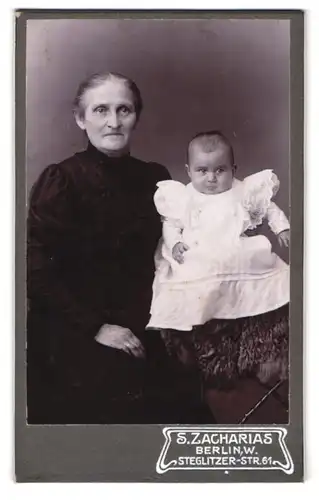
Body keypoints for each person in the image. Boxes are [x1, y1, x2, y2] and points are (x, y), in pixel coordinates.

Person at [27, 72, 211, 424]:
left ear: (136, 117)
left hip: (149, 326)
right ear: (80, 119)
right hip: (77, 334)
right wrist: (98, 328)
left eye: (123, 110)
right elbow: (36, 272)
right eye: (100, 110)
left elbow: (178, 249)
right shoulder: (61, 180)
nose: (113, 122)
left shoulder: (155, 178)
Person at [147, 131, 290, 422]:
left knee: (258, 262)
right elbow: (171, 226)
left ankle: (259, 348)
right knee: (195, 270)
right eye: (202, 171)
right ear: (188, 171)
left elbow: (270, 210)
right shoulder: (183, 197)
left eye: (220, 170)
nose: (211, 178)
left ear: (233, 170)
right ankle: (211, 351)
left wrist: (281, 229)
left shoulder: (242, 191)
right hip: (200, 252)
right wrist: (175, 243)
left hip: (236, 249)